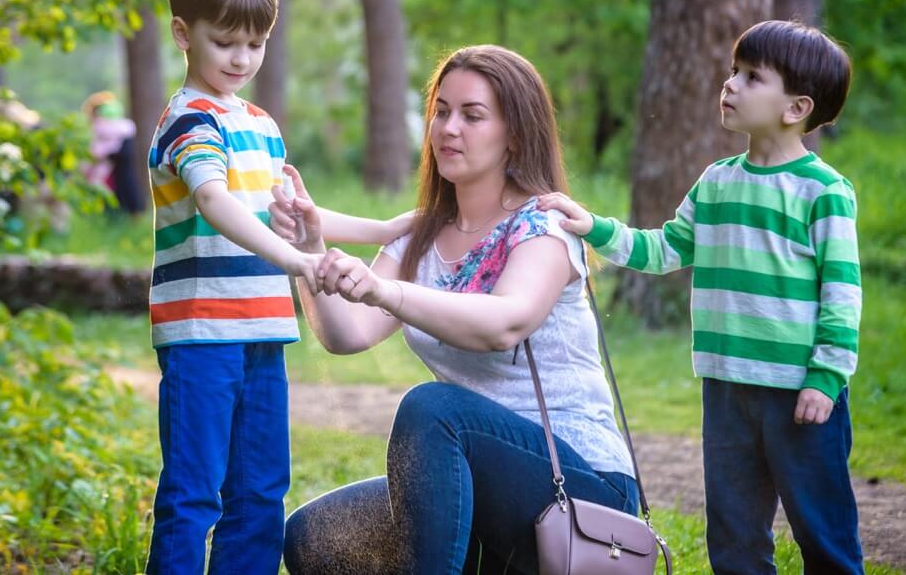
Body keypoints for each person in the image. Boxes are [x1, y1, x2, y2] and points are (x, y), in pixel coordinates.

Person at [270, 45, 640, 574]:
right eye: (441, 111)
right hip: (474, 472)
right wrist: (307, 252)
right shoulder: (422, 234)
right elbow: (347, 334)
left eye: (472, 115)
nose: (448, 128)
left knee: (433, 409)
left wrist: (385, 291)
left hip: (577, 486)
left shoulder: (543, 226)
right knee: (317, 537)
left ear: (514, 133)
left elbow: (505, 323)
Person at [539, 19, 863, 574]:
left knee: (823, 531)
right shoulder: (716, 181)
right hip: (727, 389)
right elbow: (663, 248)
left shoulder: (824, 192)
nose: (730, 85)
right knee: (735, 535)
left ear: (796, 108)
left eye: (752, 77)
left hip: (799, 395)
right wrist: (591, 225)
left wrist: (826, 377)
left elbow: (842, 295)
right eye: (734, 72)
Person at [144, 0, 406, 574]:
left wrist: (388, 225)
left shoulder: (260, 124)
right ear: (184, 33)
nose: (242, 58)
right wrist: (294, 261)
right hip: (203, 333)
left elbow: (293, 212)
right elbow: (215, 202)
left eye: (256, 44)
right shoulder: (188, 123)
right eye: (226, 42)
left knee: (260, 492)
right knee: (192, 495)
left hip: (263, 333)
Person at [82, 91, 144, 214]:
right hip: (106, 176)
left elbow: (125, 155)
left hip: (118, 177)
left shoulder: (122, 132)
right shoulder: (100, 132)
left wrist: (104, 155)